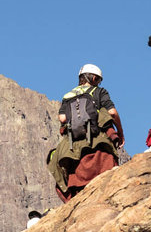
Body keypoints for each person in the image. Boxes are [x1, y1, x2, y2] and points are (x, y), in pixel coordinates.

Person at [47, 64, 125, 201]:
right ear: (94, 78)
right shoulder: (99, 92)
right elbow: (112, 113)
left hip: (74, 147)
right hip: (98, 142)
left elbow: (62, 118)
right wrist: (120, 132)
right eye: (99, 80)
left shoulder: (68, 95)